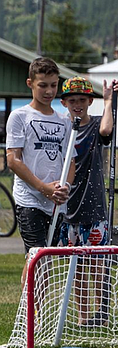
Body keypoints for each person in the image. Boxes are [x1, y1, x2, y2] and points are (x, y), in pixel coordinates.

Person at [5, 57, 70, 253]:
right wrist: (43, 188)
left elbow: (70, 160)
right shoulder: (20, 116)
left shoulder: (64, 120)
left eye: (53, 85)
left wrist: (64, 187)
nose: (49, 91)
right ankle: (32, 286)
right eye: (42, 85)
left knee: (47, 257)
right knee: (37, 255)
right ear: (30, 83)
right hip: (30, 198)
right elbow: (13, 160)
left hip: (56, 200)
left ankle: (32, 286)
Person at [59, 77, 118, 247]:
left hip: (93, 205)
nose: (77, 105)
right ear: (64, 103)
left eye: (82, 100)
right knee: (74, 264)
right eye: (72, 101)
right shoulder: (61, 126)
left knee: (96, 262)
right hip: (67, 202)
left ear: (90, 101)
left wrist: (108, 101)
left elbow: (107, 130)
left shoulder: (95, 124)